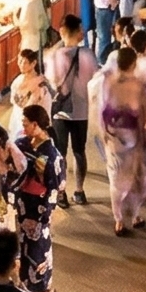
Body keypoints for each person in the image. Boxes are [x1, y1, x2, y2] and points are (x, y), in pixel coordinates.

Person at [99, 48, 146, 236]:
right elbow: (141, 116)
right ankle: (135, 215)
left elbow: (102, 109)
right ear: (133, 64)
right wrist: (143, 140)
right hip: (131, 137)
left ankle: (119, 219)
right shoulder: (138, 86)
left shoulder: (108, 82)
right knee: (134, 179)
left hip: (112, 136)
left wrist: (103, 133)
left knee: (115, 179)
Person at [46, 19, 96, 207]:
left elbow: (51, 80)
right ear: (77, 31)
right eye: (81, 29)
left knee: (60, 153)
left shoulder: (54, 56)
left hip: (60, 112)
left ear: (62, 32)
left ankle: (61, 192)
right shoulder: (88, 55)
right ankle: (79, 191)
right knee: (79, 151)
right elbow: (95, 78)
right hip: (81, 111)